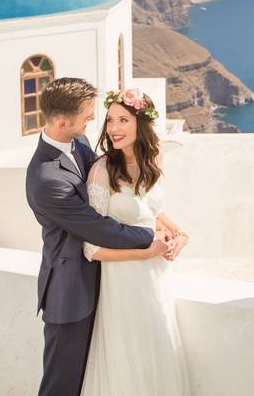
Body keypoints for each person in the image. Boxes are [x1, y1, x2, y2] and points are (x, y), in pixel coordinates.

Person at [25, 78, 171, 396]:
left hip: (109, 285)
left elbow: (113, 192)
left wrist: (167, 224)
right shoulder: (46, 178)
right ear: (63, 121)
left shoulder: (78, 144)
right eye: (87, 114)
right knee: (62, 385)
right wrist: (151, 238)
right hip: (71, 291)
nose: (94, 119)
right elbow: (97, 227)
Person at [80, 88, 190, 395]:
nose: (113, 128)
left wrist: (180, 235)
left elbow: (151, 211)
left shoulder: (152, 161)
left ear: (140, 124)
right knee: (129, 359)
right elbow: (91, 248)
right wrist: (146, 253)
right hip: (125, 281)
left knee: (158, 348)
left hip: (156, 278)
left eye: (123, 120)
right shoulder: (102, 171)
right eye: (110, 120)